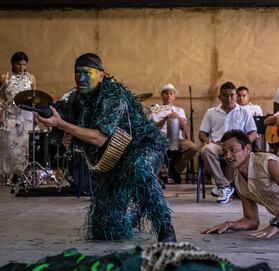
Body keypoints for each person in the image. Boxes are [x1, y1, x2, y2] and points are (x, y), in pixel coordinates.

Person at [36, 53, 176, 242]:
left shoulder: (113, 96)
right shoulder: (76, 99)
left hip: (143, 147)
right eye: (77, 73)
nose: (80, 78)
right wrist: (46, 115)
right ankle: (138, 211)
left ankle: (165, 227)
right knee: (105, 229)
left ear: (101, 75)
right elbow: (61, 119)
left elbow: (99, 138)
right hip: (112, 158)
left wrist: (61, 124)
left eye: (87, 72)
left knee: (138, 167)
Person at [199, 81, 257, 204]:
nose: (229, 98)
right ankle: (225, 186)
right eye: (225, 95)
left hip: (237, 145)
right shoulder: (211, 112)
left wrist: (244, 143)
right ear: (219, 97)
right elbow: (202, 133)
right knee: (206, 150)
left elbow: (253, 133)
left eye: (232, 95)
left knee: (235, 151)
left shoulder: (244, 112)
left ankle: (225, 186)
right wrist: (206, 140)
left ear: (236, 96)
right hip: (218, 144)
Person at [0, 51, 36, 185]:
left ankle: (23, 175)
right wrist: (0, 115)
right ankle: (10, 175)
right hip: (10, 114)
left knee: (25, 144)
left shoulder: (31, 78)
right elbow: (1, 98)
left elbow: (34, 98)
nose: (21, 67)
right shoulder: (6, 77)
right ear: (13, 64)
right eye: (18, 64)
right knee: (10, 144)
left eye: (24, 65)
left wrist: (36, 116)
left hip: (26, 115)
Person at [150, 83, 198, 184]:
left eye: (171, 93)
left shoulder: (179, 110)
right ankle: (161, 173)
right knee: (156, 145)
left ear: (174, 96)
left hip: (178, 139)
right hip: (161, 139)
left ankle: (175, 170)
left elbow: (182, 128)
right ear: (162, 95)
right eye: (166, 93)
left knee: (192, 147)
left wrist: (176, 117)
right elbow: (154, 128)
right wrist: (165, 118)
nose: (168, 95)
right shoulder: (156, 110)